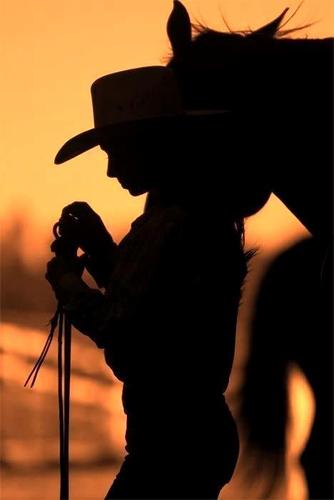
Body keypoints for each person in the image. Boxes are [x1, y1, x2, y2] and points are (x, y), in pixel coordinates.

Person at [46, 66, 265, 499]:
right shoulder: (195, 218)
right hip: (194, 439)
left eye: (115, 151)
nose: (109, 169)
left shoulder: (170, 226)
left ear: (148, 146)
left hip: (169, 447)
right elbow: (154, 303)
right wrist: (103, 249)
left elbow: (123, 333)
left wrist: (68, 283)